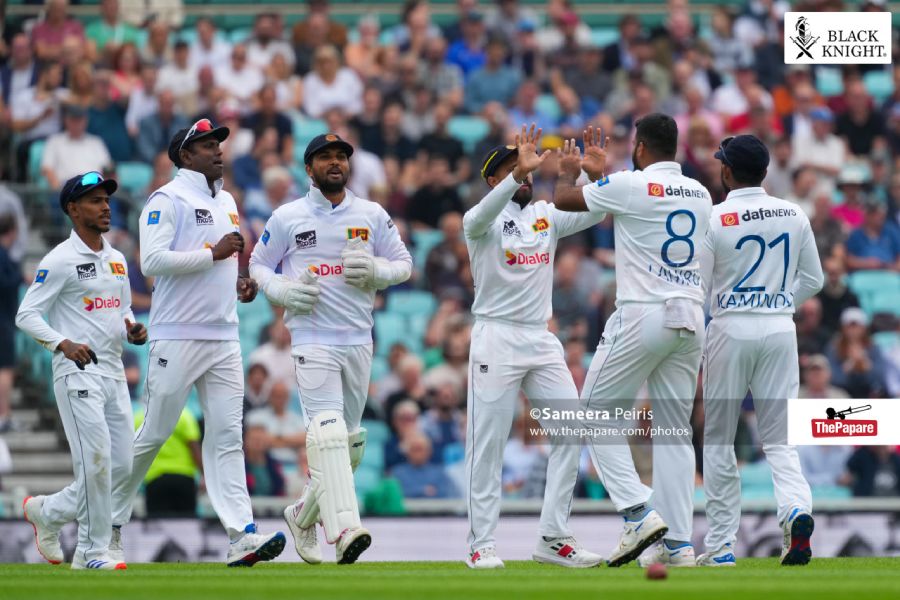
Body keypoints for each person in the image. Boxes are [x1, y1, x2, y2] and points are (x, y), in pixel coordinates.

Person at [123, 119, 286, 567]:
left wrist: (237, 281)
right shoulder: (166, 198)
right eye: (207, 144)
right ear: (184, 155)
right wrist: (213, 253)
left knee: (228, 435)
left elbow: (218, 265)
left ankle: (241, 535)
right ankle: (94, 516)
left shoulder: (228, 199)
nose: (217, 150)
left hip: (223, 334)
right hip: (176, 334)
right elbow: (152, 261)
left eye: (219, 143)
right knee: (153, 434)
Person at [552, 115, 712, 567]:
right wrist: (603, 176)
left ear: (640, 147)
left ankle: (638, 512)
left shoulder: (628, 183)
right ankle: (679, 546)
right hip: (690, 315)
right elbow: (635, 208)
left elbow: (565, 201)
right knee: (675, 432)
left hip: (644, 312)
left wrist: (573, 168)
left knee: (593, 413)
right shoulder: (700, 192)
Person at [250, 132, 412, 565]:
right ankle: (344, 530)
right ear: (309, 168)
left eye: (341, 156)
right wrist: (282, 289)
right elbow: (258, 265)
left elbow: (404, 264)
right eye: (326, 157)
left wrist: (377, 270)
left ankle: (303, 515)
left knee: (349, 444)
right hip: (312, 337)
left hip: (359, 339)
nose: (335, 163)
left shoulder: (372, 214)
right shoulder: (288, 216)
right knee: (329, 433)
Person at [461, 125, 605, 569]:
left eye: (525, 168)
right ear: (494, 180)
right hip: (496, 335)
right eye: (511, 169)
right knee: (489, 443)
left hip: (540, 338)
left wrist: (590, 179)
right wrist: (511, 179)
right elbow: (475, 219)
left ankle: (553, 537)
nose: (524, 174)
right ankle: (480, 544)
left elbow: (593, 214)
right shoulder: (481, 221)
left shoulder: (545, 213)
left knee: (571, 430)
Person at [697, 134, 824, 568]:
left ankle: (721, 546)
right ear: (765, 171)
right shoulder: (794, 213)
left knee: (718, 441)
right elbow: (815, 280)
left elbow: (699, 287)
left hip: (730, 328)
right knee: (781, 440)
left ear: (727, 172)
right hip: (778, 328)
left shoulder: (714, 217)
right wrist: (780, 299)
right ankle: (795, 512)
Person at [17, 171, 147, 570]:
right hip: (76, 374)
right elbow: (26, 314)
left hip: (113, 374)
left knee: (122, 467)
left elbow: (123, 307)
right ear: (73, 209)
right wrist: (63, 343)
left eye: (106, 199)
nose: (106, 206)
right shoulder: (59, 260)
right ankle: (92, 553)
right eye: (94, 200)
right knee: (96, 463)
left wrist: (132, 327)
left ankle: (48, 512)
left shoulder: (117, 258)